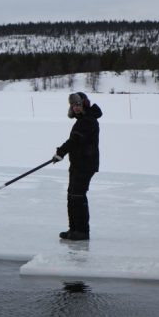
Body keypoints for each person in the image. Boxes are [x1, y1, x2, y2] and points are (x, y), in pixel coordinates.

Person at [52, 92, 102, 241]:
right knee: (72, 196)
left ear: (84, 104)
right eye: (73, 105)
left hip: (86, 164)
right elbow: (74, 141)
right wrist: (62, 153)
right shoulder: (82, 120)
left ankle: (82, 231)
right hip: (77, 164)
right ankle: (73, 229)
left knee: (78, 196)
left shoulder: (88, 120)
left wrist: (61, 152)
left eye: (78, 104)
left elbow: (75, 140)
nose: (75, 108)